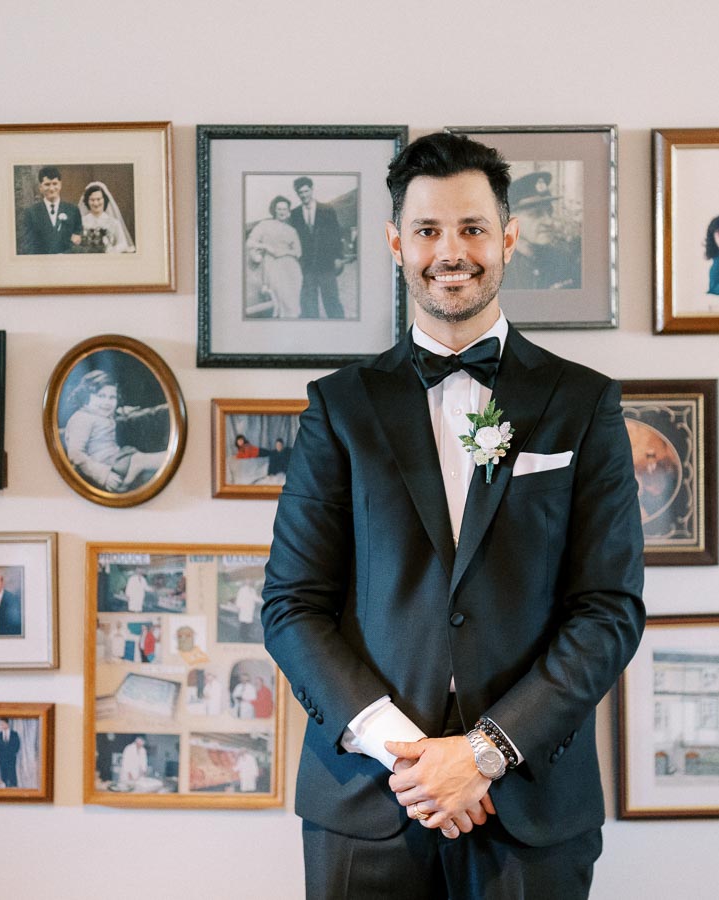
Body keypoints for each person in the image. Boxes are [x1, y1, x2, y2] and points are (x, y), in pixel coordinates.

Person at [261, 132, 644, 899]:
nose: (451, 251)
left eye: (472, 228)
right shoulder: (338, 408)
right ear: (396, 242)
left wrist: (485, 752)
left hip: (529, 809)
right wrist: (415, 757)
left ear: (508, 237)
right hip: (367, 804)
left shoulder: (584, 402)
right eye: (429, 230)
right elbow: (292, 607)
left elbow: (607, 610)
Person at [62, 370, 169, 493]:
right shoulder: (81, 419)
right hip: (109, 466)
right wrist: (103, 475)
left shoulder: (98, 414)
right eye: (101, 396)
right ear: (86, 396)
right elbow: (75, 454)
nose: (107, 402)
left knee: (156, 467)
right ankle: (137, 466)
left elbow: (107, 417)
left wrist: (122, 411)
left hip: (118, 457)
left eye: (112, 397)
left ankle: (134, 471)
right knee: (159, 459)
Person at [504, 171, 581, 290]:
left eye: (549, 212)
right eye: (536, 214)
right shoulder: (498, 269)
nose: (549, 221)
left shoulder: (563, 260)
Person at [288, 176, 346, 318]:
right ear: (297, 194)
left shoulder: (326, 209)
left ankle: (340, 329)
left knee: (331, 299)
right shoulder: (294, 214)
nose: (303, 195)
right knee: (309, 303)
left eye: (306, 191)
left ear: (312, 190)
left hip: (326, 263)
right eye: (300, 192)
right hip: (306, 266)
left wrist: (338, 257)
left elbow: (336, 234)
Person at [246, 195, 303, 317]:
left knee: (293, 304)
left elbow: (298, 252)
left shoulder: (292, 230)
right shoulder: (264, 225)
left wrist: (284, 252)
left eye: (285, 209)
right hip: (273, 267)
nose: (282, 212)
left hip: (292, 269)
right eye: (279, 209)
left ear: (288, 211)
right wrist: (266, 246)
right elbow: (249, 242)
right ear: (274, 210)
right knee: (283, 302)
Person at [16, 166, 83, 254]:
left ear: (60, 185)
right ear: (40, 187)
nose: (51, 189)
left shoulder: (73, 210)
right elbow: (29, 245)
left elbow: (78, 239)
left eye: (55, 184)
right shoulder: (31, 213)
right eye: (47, 184)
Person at [77, 181, 135, 253]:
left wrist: (110, 251)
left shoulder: (114, 222)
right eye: (92, 200)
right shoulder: (81, 222)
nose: (96, 203)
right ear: (87, 201)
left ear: (104, 199)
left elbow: (123, 244)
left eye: (99, 199)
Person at [0, 718, 21, 787]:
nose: (2, 725)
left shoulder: (14, 734)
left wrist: (11, 753)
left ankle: (14, 789)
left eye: (3, 724)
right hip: (2, 759)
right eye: (1, 724)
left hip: (11, 758)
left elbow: (17, 745)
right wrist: (3, 754)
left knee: (12, 775)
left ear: (7, 724)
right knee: (4, 776)